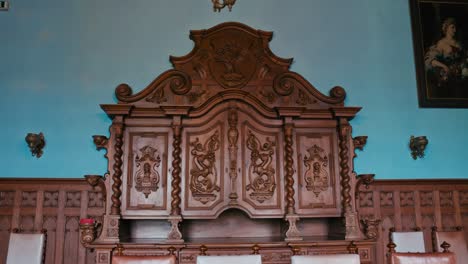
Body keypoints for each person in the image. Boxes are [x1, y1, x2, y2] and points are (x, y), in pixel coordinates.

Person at [424, 17, 468, 98]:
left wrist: (464, 67)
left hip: (460, 77)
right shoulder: (441, 43)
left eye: (455, 27)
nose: (455, 30)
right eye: (452, 27)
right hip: (448, 77)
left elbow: (463, 59)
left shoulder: (459, 43)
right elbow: (430, 59)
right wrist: (444, 66)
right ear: (446, 28)